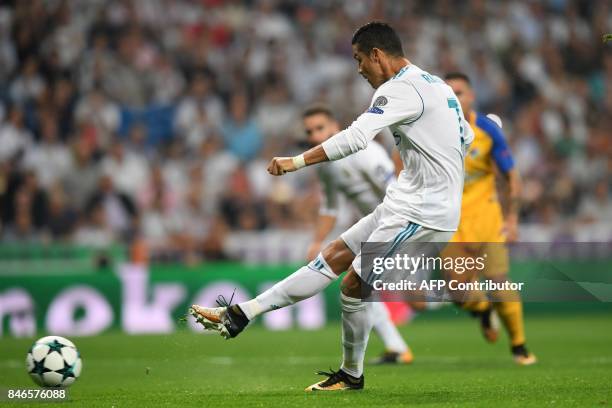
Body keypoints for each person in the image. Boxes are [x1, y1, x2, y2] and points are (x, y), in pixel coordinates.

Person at [190, 21, 473, 391]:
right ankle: (243, 313)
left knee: (354, 286)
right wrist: (437, 173)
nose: (358, 69)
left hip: (421, 210)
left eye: (359, 60)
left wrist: (296, 162)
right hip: (406, 202)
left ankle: (351, 374)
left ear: (377, 55)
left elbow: (357, 138)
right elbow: (464, 137)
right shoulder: (437, 85)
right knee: (333, 256)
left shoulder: (399, 89)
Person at [302, 104, 413, 365]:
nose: (315, 136)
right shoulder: (325, 163)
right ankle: (396, 347)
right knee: (361, 285)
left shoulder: (364, 153)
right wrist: (317, 240)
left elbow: (393, 188)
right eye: (309, 132)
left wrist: (400, 229)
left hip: (397, 223)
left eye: (320, 128)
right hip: (376, 227)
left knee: (398, 293)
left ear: (334, 126)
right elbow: (330, 207)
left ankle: (475, 300)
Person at [443, 72, 536, 365]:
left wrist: (512, 219)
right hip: (450, 223)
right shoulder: (432, 132)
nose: (455, 98)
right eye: (449, 93)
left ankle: (520, 346)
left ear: (471, 97)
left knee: (498, 281)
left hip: (487, 218)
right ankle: (483, 310)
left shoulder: (487, 130)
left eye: (460, 92)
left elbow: (511, 176)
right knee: (457, 291)